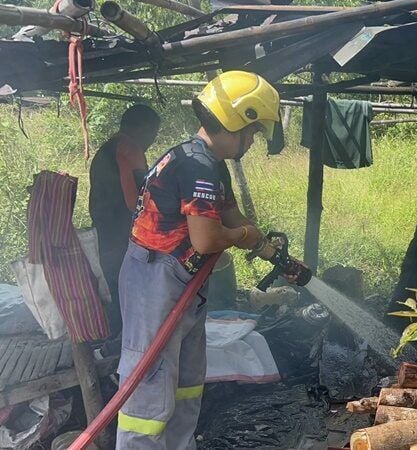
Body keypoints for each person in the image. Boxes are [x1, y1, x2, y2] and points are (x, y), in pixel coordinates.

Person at [116, 71, 283, 449]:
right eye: (255, 131)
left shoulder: (209, 161)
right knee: (151, 383)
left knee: (188, 380)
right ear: (240, 120)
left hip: (179, 279)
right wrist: (244, 237)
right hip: (155, 277)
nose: (255, 140)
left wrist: (266, 248)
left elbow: (230, 216)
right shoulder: (196, 166)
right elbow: (207, 239)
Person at [89, 104, 161, 336]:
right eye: (153, 133)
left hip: (105, 232)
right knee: (133, 294)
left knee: (116, 290)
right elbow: (140, 198)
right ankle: (132, 351)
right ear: (143, 128)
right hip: (125, 235)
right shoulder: (130, 148)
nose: (152, 140)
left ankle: (115, 345)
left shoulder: (105, 150)